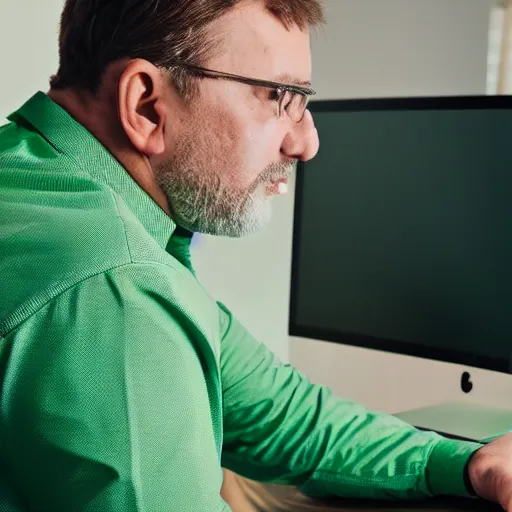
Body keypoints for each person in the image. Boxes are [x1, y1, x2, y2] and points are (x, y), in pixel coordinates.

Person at [0, 0, 511, 511]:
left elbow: (274, 410)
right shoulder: (114, 289)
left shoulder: (36, 177)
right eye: (280, 97)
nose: (307, 142)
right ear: (146, 105)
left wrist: (464, 463)